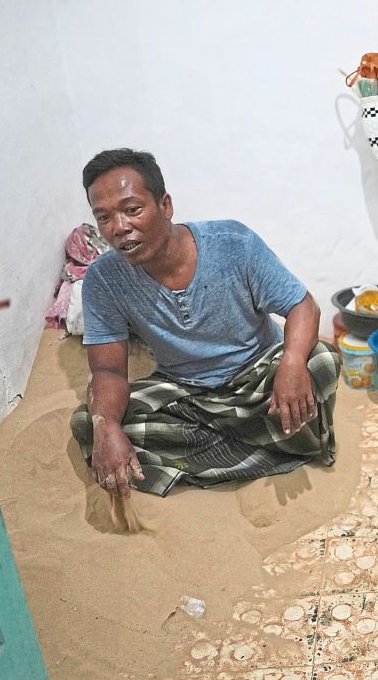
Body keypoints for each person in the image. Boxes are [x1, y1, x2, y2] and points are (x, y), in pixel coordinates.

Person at [69, 148, 340, 497]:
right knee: (91, 425)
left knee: (321, 361)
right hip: (186, 393)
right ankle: (267, 448)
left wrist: (290, 362)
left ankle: (217, 455)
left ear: (165, 205)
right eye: (104, 218)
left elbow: (303, 307)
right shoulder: (103, 280)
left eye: (132, 210)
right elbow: (108, 372)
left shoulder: (232, 244)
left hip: (258, 379)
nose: (120, 228)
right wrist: (107, 428)